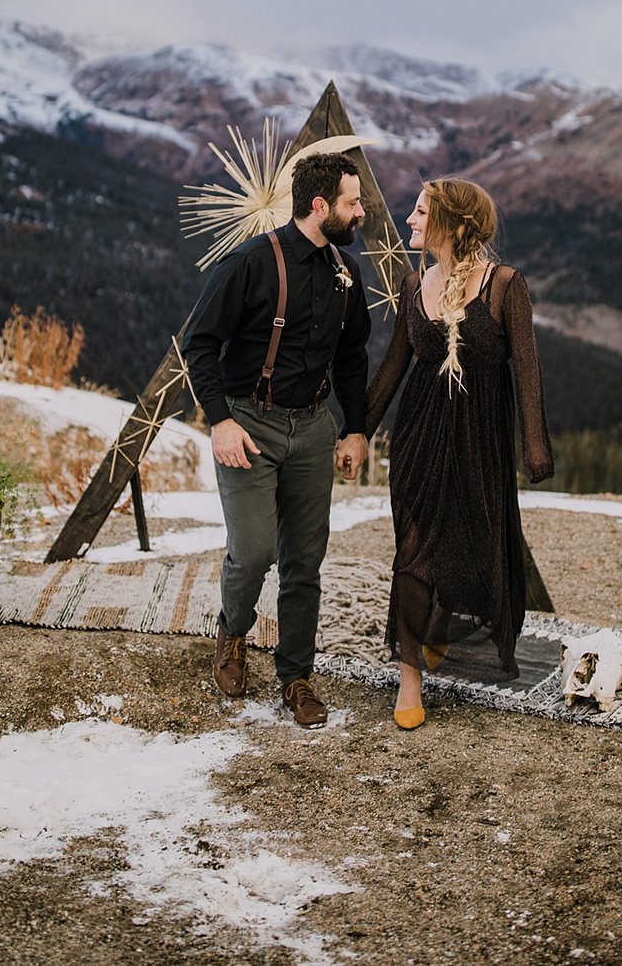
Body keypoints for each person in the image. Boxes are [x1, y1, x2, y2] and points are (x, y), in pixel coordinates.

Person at [182, 152, 371, 727]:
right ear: (320, 206)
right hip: (249, 423)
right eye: (352, 203)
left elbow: (353, 357)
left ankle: (296, 677)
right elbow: (199, 344)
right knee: (257, 549)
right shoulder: (250, 263)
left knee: (305, 559)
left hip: (314, 428)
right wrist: (219, 420)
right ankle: (233, 634)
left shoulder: (346, 271)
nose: (361, 212)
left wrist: (357, 427)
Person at [364, 177, 554, 729]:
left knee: (472, 544)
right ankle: (409, 676)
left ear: (451, 223)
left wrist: (534, 447)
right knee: (414, 548)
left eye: (420, 211)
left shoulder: (504, 286)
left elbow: (528, 370)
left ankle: (439, 630)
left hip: (481, 441)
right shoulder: (414, 283)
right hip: (419, 438)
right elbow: (394, 367)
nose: (409, 219)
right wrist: (355, 431)